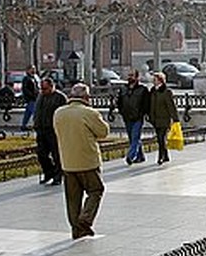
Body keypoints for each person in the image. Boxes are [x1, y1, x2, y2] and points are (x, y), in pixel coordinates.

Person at [53, 83, 110, 240]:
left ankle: (76, 230)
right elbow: (104, 132)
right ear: (86, 97)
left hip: (67, 162)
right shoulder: (89, 113)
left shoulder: (59, 113)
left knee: (72, 199)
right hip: (88, 161)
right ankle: (85, 220)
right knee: (96, 190)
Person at [32, 76, 67, 185]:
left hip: (54, 130)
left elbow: (64, 115)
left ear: (52, 87)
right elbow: (37, 112)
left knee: (56, 154)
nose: (43, 91)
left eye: (45, 89)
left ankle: (58, 175)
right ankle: (48, 172)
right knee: (41, 154)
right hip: (41, 129)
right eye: (42, 89)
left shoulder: (60, 97)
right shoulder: (41, 96)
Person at [116, 70, 150, 165]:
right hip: (127, 117)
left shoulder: (142, 89)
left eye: (132, 75)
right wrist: (121, 111)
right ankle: (140, 156)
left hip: (137, 117)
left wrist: (143, 113)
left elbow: (146, 103)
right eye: (129, 75)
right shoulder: (123, 89)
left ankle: (130, 156)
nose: (130, 77)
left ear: (137, 77)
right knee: (132, 138)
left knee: (135, 137)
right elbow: (119, 101)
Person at [149, 71, 179, 165]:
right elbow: (150, 105)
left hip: (164, 119)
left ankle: (160, 157)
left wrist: (175, 118)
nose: (153, 81)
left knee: (161, 138)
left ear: (160, 80)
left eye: (155, 80)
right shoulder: (153, 91)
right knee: (159, 139)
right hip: (155, 119)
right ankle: (165, 156)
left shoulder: (166, 92)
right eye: (153, 80)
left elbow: (171, 106)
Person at [20, 65, 40, 130]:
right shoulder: (26, 78)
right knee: (34, 112)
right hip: (31, 98)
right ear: (28, 70)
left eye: (34, 69)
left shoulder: (34, 78)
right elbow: (25, 89)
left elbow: (37, 87)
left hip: (34, 98)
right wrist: (32, 95)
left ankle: (23, 125)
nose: (34, 70)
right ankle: (37, 124)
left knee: (28, 113)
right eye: (32, 69)